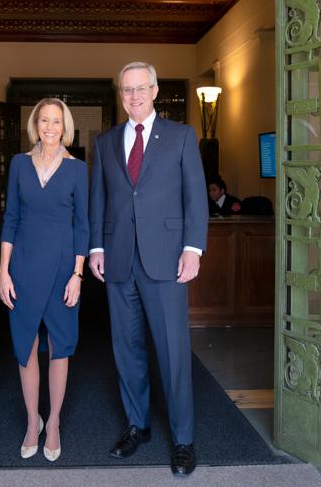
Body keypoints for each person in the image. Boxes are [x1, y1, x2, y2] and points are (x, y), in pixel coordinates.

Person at [89, 62, 208, 476]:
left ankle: (183, 440)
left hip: (167, 261)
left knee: (173, 353)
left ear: (155, 90)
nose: (135, 96)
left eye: (142, 88)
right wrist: (96, 248)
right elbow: (98, 200)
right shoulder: (104, 142)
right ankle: (137, 425)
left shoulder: (180, 136)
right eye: (127, 90)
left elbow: (196, 196)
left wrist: (193, 248)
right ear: (120, 94)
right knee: (127, 350)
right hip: (119, 261)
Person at [0, 98, 88, 462]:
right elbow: (11, 219)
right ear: (35, 125)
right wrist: (3, 270)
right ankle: (32, 422)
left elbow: (82, 225)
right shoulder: (19, 165)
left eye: (56, 121)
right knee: (27, 346)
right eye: (44, 121)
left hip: (63, 268)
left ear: (65, 127)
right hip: (22, 267)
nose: (50, 127)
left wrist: (78, 275)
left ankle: (53, 423)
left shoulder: (77, 170)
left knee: (61, 347)